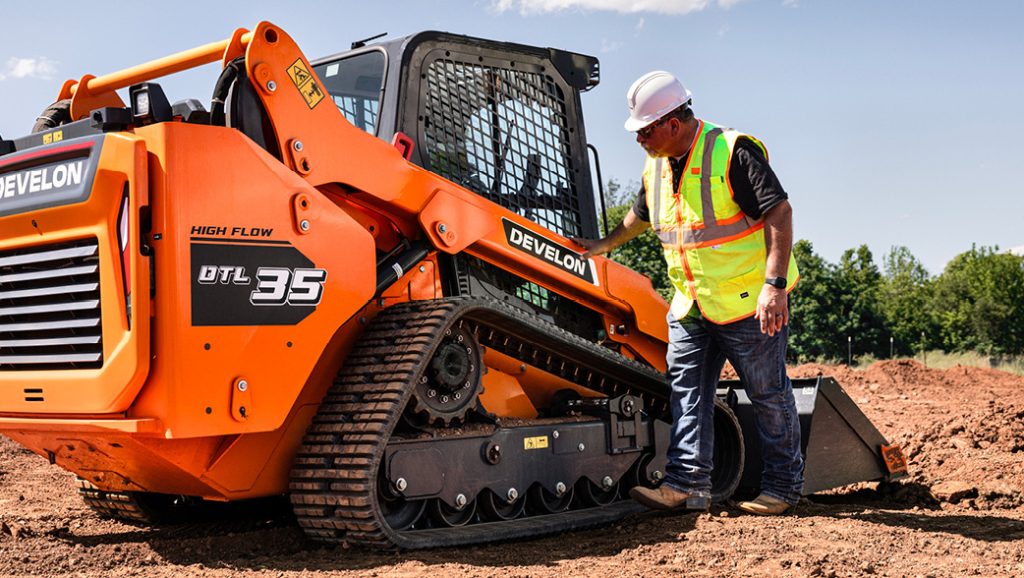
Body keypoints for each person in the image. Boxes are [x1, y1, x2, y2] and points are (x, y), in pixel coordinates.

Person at [574, 71, 804, 516]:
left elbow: (779, 211)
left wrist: (774, 286)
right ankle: (686, 485)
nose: (638, 138)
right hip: (691, 305)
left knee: (768, 394)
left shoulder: (731, 151)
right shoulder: (656, 165)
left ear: (673, 123)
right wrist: (600, 246)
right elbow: (639, 217)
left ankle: (782, 489)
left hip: (747, 303)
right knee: (687, 394)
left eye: (645, 130)